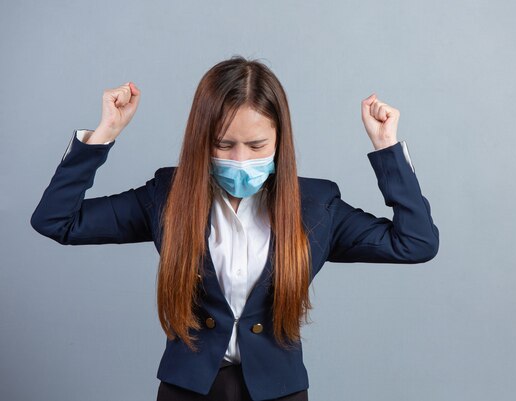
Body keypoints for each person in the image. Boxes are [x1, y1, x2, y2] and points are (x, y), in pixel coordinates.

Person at [30, 56, 440, 401]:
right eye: (224, 145)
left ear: (281, 140)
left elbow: (416, 243)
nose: (241, 159)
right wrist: (102, 137)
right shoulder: (166, 196)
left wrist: (387, 149)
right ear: (200, 140)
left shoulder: (317, 207)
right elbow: (57, 220)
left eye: (257, 146)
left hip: (279, 390)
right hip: (187, 389)